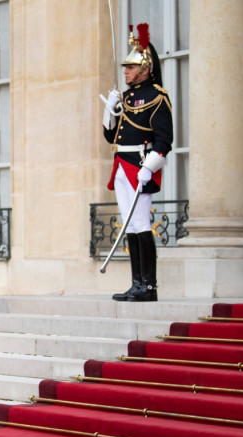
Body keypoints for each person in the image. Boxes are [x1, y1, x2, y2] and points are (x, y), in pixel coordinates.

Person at [103, 23, 173, 302]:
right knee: (129, 224)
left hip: (141, 166)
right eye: (126, 67)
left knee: (141, 223)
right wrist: (110, 110)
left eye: (130, 67)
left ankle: (149, 286)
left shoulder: (157, 96)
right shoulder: (127, 96)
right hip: (122, 163)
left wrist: (149, 167)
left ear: (145, 68)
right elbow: (111, 135)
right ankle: (136, 284)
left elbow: (164, 140)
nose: (125, 71)